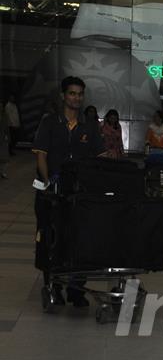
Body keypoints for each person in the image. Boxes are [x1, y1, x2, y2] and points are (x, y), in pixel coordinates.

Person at [33, 76, 106, 307]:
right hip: (51, 194)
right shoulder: (50, 122)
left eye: (80, 94)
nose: (76, 97)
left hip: (79, 196)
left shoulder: (89, 127)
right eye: (72, 93)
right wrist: (48, 184)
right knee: (52, 240)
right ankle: (54, 286)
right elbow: (41, 155)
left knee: (80, 241)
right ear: (63, 96)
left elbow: (100, 158)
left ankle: (76, 290)